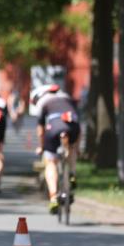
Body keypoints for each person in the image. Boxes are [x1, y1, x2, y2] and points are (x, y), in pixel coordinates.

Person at [33, 84, 81, 214]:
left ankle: (53, 197)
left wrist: (41, 146)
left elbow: (40, 130)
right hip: (72, 126)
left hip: (54, 127)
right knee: (71, 149)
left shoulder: (44, 102)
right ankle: (72, 174)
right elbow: (79, 124)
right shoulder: (68, 99)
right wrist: (77, 147)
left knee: (51, 162)